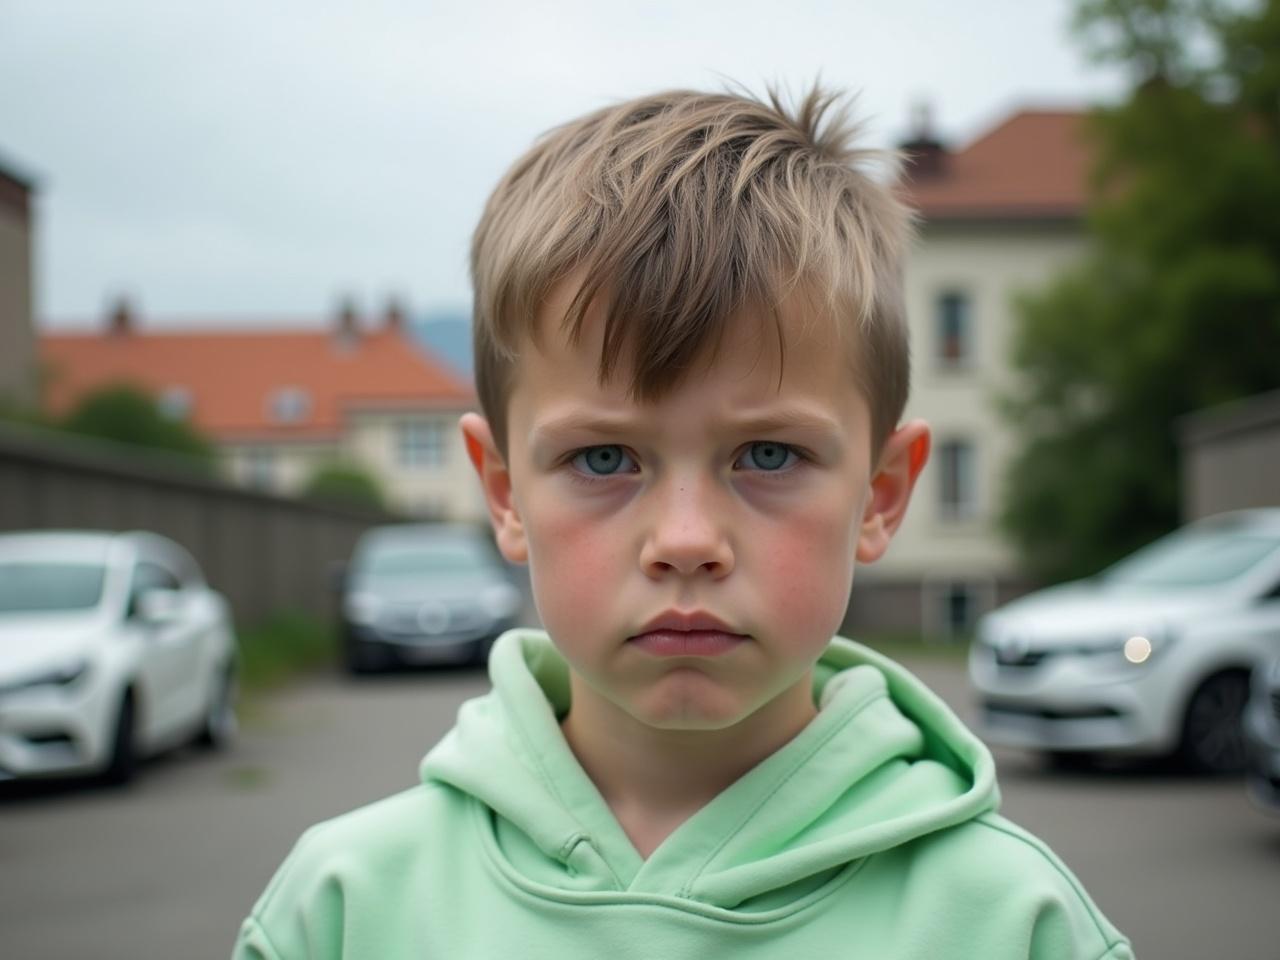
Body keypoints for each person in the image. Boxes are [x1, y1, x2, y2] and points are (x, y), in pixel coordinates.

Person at [233, 86, 1133, 959]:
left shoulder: (1014, 925)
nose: (687, 541)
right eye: (602, 459)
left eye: (769, 456)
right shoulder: (346, 910)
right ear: (504, 494)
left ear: (882, 492)